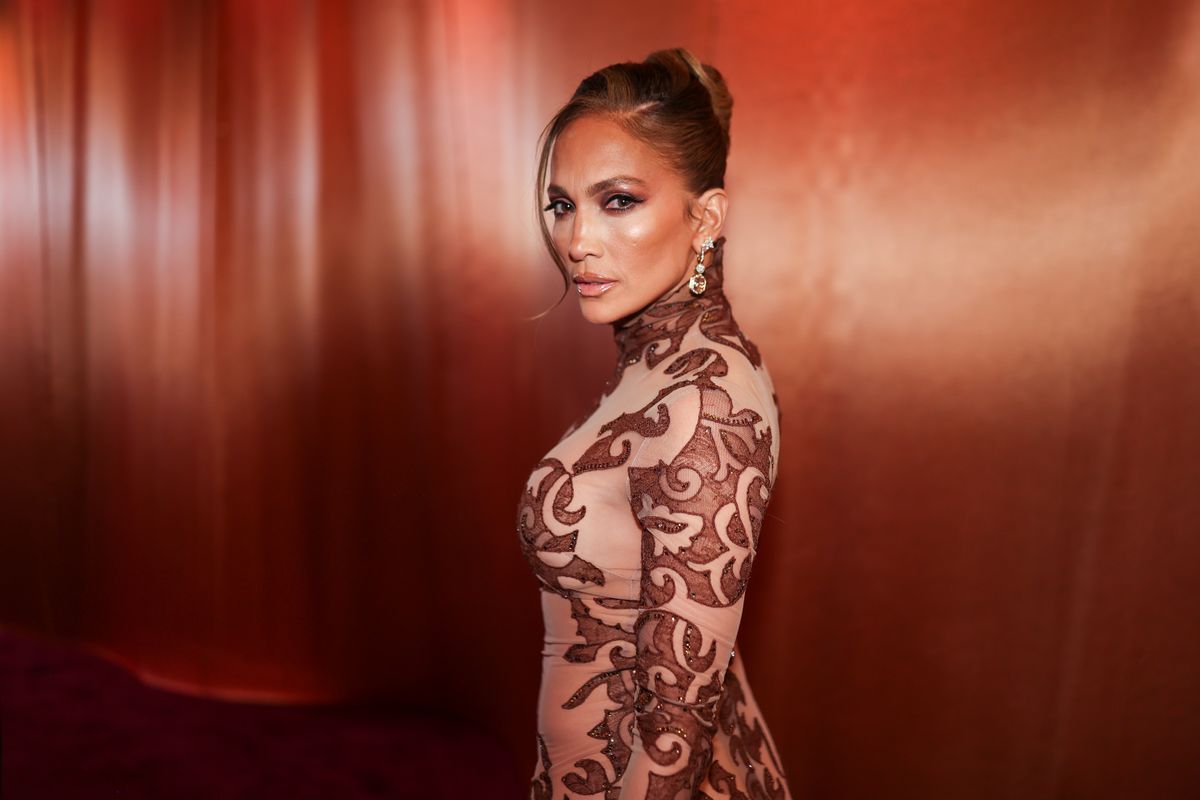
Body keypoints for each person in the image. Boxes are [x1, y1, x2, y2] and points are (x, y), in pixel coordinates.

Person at [516, 47, 792, 799]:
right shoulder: (668, 359)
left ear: (704, 216)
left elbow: (674, 742)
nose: (577, 242)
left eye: (619, 201)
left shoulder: (701, 401)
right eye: (563, 204)